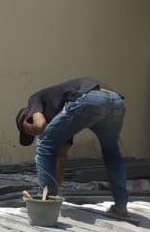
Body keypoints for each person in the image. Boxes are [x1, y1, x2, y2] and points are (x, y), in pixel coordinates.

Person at [15, 76, 128, 216]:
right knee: (112, 152)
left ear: (27, 116)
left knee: (44, 144)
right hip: (115, 100)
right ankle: (121, 206)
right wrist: (55, 192)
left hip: (89, 97)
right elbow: (62, 156)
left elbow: (40, 125)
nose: (33, 135)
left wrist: (28, 127)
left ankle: (44, 205)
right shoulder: (64, 116)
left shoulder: (34, 99)